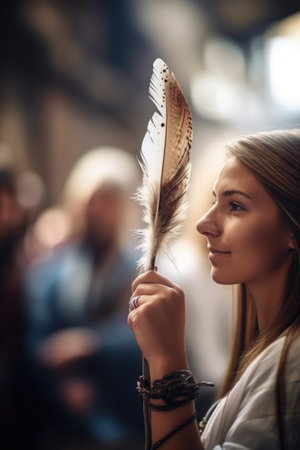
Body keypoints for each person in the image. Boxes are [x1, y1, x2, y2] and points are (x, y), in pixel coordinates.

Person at [128, 129, 300, 450]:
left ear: (292, 229)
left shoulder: (292, 366)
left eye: (235, 206)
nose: (203, 223)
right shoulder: (270, 351)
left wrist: (168, 360)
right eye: (213, 201)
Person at [24, 147, 144, 450]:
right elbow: (36, 335)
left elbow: (141, 336)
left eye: (109, 200)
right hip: (60, 418)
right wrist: (63, 383)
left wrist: (91, 343)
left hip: (122, 413)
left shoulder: (139, 269)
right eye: (93, 199)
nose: (99, 210)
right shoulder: (52, 269)